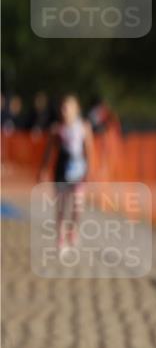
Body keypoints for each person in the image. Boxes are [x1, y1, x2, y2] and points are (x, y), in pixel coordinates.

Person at [37, 94, 95, 251]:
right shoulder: (56, 129)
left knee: (78, 205)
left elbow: (89, 150)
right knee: (62, 206)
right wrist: (43, 170)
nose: (64, 110)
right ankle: (61, 239)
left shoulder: (84, 127)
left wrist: (90, 171)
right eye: (62, 107)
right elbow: (48, 152)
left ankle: (73, 231)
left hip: (78, 170)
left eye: (68, 107)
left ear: (76, 109)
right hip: (61, 170)